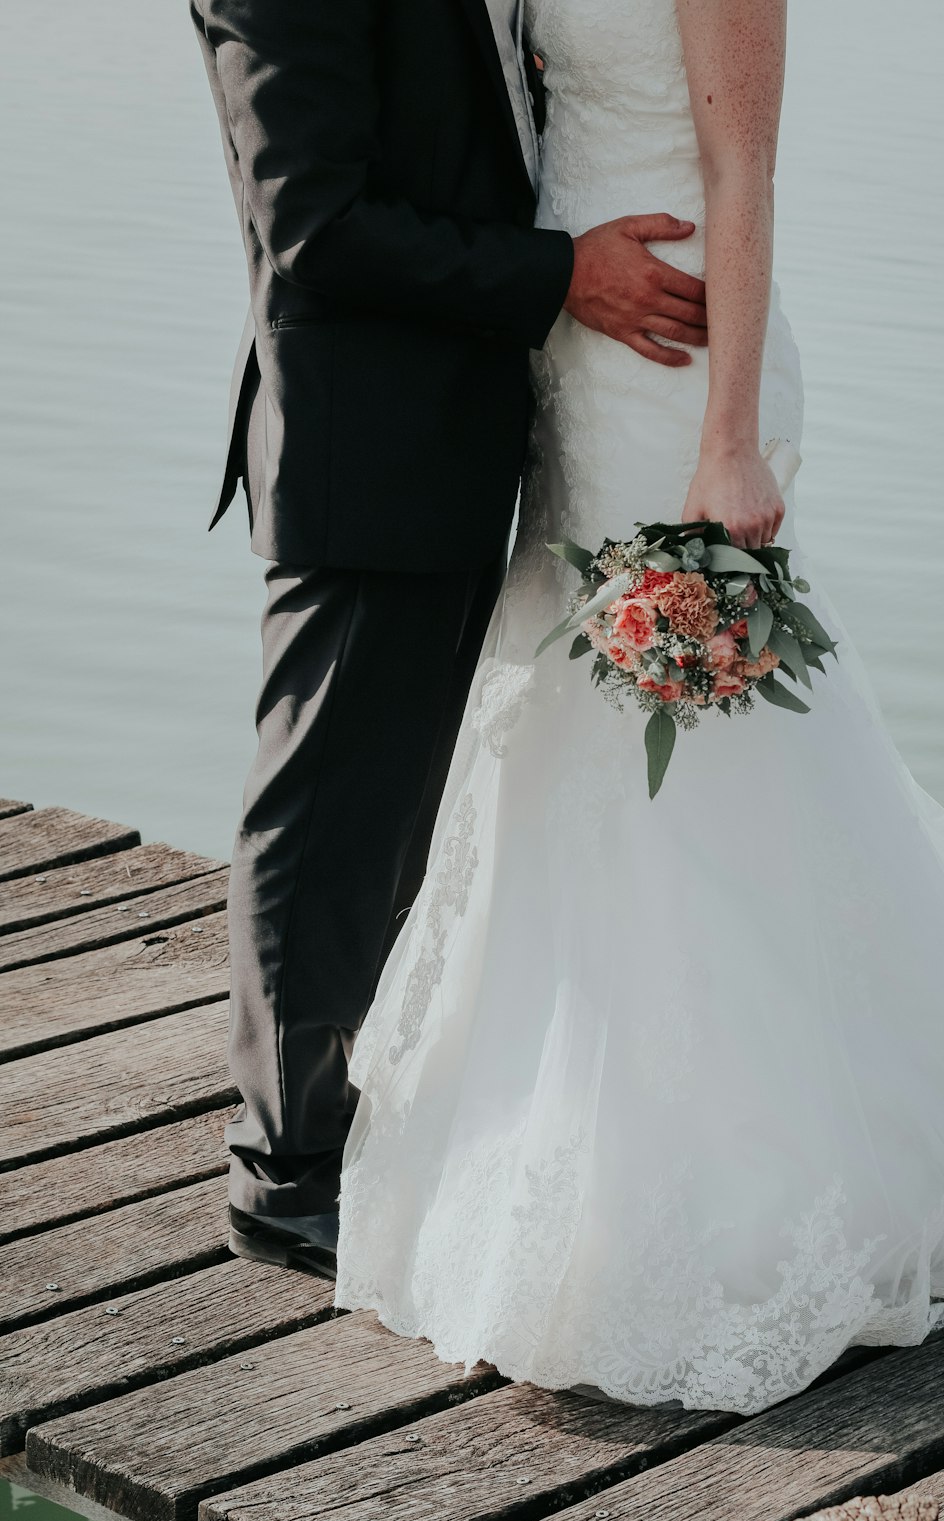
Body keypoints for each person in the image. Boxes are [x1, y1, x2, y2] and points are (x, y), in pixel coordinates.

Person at [334, 0, 944, 1413]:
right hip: (567, 346)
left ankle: (737, 1173)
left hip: (683, 367)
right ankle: (563, 1157)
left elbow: (747, 170)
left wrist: (731, 441)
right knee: (565, 730)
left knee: (698, 761)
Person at [191, 0, 712, 1277]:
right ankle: (286, 1168)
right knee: (323, 819)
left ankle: (349, 1112)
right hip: (367, 440)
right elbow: (315, 223)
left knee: (393, 814)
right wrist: (560, 276)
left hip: (464, 433)